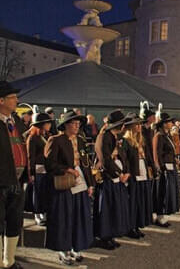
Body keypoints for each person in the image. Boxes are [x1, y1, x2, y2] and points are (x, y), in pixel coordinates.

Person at [44, 110, 95, 265]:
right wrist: (66, 169)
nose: (76, 126)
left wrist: (90, 184)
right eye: (73, 123)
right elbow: (49, 164)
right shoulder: (56, 140)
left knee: (79, 216)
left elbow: (86, 163)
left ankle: (76, 246)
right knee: (64, 217)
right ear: (65, 125)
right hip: (64, 184)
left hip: (80, 183)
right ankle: (63, 249)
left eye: (78, 123)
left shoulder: (81, 140)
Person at [93, 110, 130, 250]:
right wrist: (118, 173)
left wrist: (125, 171)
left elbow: (122, 156)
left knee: (114, 207)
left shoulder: (113, 136)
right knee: (106, 208)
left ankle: (111, 235)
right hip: (107, 177)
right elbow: (105, 160)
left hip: (116, 177)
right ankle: (104, 236)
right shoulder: (103, 137)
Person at [0, 81, 27, 269]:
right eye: (12, 97)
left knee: (14, 221)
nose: (17, 100)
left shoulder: (15, 121)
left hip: (16, 180)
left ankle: (9, 260)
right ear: (1, 100)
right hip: (1, 180)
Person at [122, 113, 153, 238]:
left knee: (141, 200)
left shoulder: (140, 139)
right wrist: (128, 173)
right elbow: (125, 160)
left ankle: (137, 225)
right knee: (133, 202)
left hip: (142, 172)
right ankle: (130, 227)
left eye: (140, 124)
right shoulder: (126, 141)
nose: (139, 126)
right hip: (134, 174)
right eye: (137, 124)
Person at [27, 111, 54, 226]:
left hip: (47, 168)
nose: (50, 125)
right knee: (38, 192)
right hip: (38, 169)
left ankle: (45, 213)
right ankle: (38, 215)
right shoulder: (33, 138)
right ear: (41, 124)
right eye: (47, 123)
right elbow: (30, 157)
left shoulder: (47, 136)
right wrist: (31, 173)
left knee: (45, 192)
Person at [153, 112, 180, 226]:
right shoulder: (158, 136)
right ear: (164, 124)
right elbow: (157, 154)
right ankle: (159, 216)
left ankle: (163, 215)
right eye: (169, 122)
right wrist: (160, 168)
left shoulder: (166, 135)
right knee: (162, 193)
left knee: (167, 193)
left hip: (170, 167)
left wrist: (174, 160)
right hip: (164, 169)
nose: (171, 124)